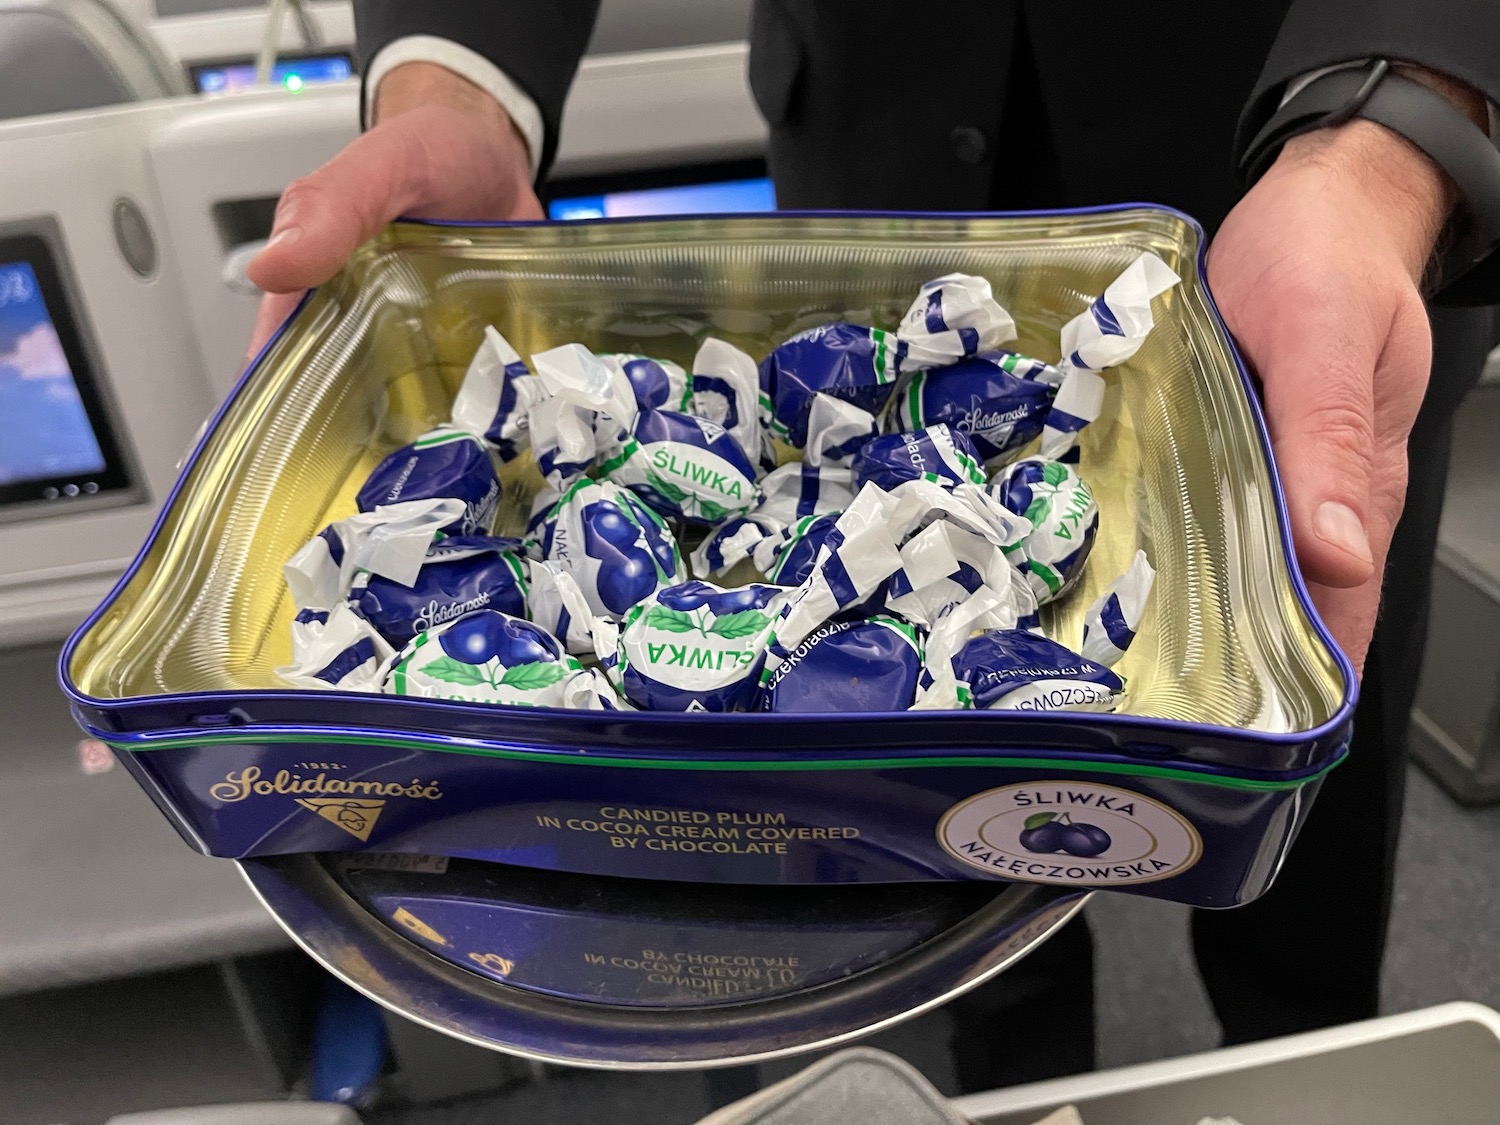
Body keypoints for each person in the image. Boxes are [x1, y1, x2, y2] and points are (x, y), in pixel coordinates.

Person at [246, 0, 1500, 1090]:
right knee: (914, 858)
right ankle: (1010, 1074)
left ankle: (1310, 1060)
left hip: (1298, 213)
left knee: (1301, 782)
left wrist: (1396, 130)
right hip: (875, 149)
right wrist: (460, 72)